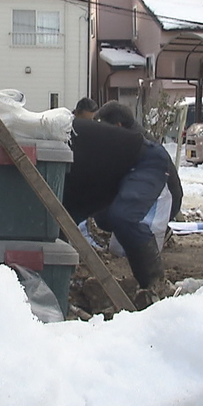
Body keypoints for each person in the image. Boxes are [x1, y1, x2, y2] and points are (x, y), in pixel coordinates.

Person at [63, 117, 173, 290]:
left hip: (145, 161)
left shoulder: (58, 140)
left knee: (123, 218)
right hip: (110, 174)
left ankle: (156, 285)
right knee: (103, 220)